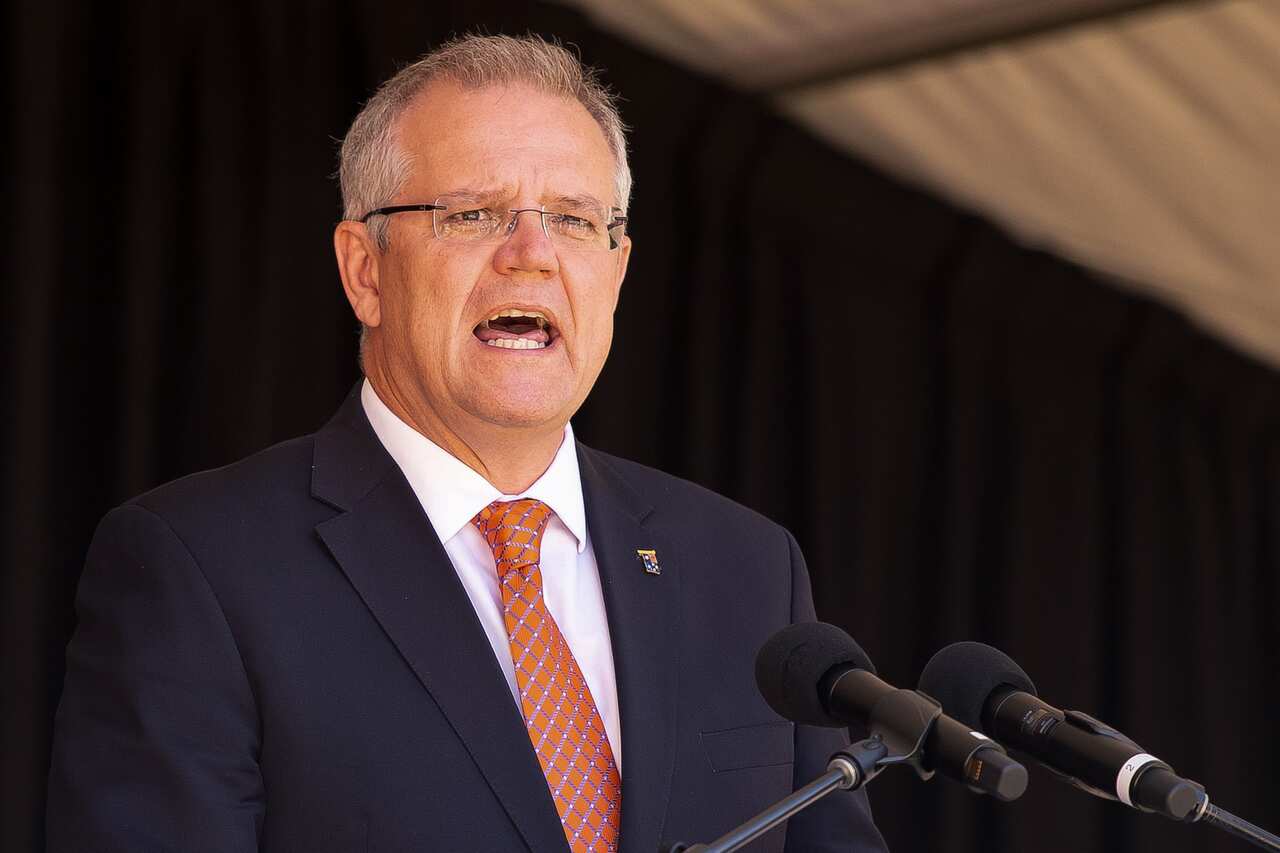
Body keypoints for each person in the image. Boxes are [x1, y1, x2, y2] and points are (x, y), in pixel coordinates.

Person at [46, 34, 887, 853]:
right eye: (473, 214)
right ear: (365, 271)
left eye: (572, 218)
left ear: (618, 267)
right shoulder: (198, 566)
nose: (531, 256)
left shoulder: (747, 568)